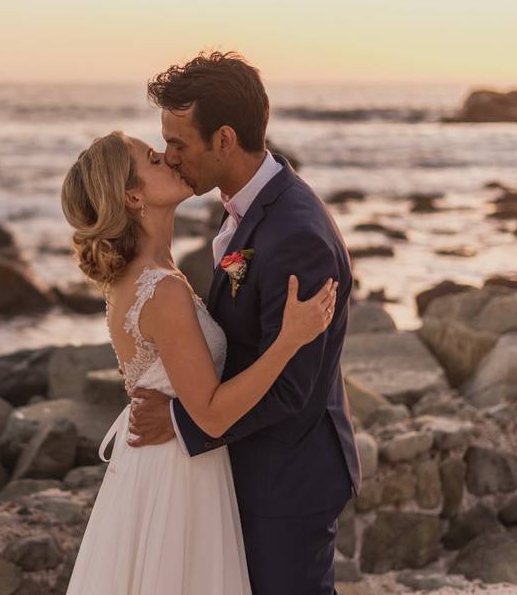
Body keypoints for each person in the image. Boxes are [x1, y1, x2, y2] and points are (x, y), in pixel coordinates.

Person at [61, 129, 337, 594]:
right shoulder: (162, 289)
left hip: (157, 467)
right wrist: (290, 340)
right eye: (152, 159)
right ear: (132, 195)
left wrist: (173, 412)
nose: (169, 158)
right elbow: (210, 414)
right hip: (179, 476)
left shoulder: (141, 278)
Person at [127, 52, 361, 594]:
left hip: (289, 476)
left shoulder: (295, 235)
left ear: (225, 140)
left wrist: (184, 421)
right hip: (258, 463)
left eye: (179, 144)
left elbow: (293, 387)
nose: (169, 156)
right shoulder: (253, 209)